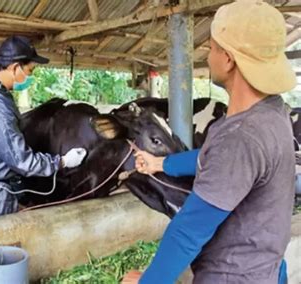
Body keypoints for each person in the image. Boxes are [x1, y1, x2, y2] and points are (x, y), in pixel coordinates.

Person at [122, 0, 296, 283]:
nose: (209, 54)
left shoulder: (241, 136)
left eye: (212, 47)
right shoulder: (272, 112)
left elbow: (189, 230)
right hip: (268, 268)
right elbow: (214, 158)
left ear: (227, 59)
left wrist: (148, 281)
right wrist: (160, 162)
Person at [0, 36, 87, 220]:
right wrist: (62, 162)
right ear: (15, 67)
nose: (30, 76)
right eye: (29, 70)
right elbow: (21, 160)